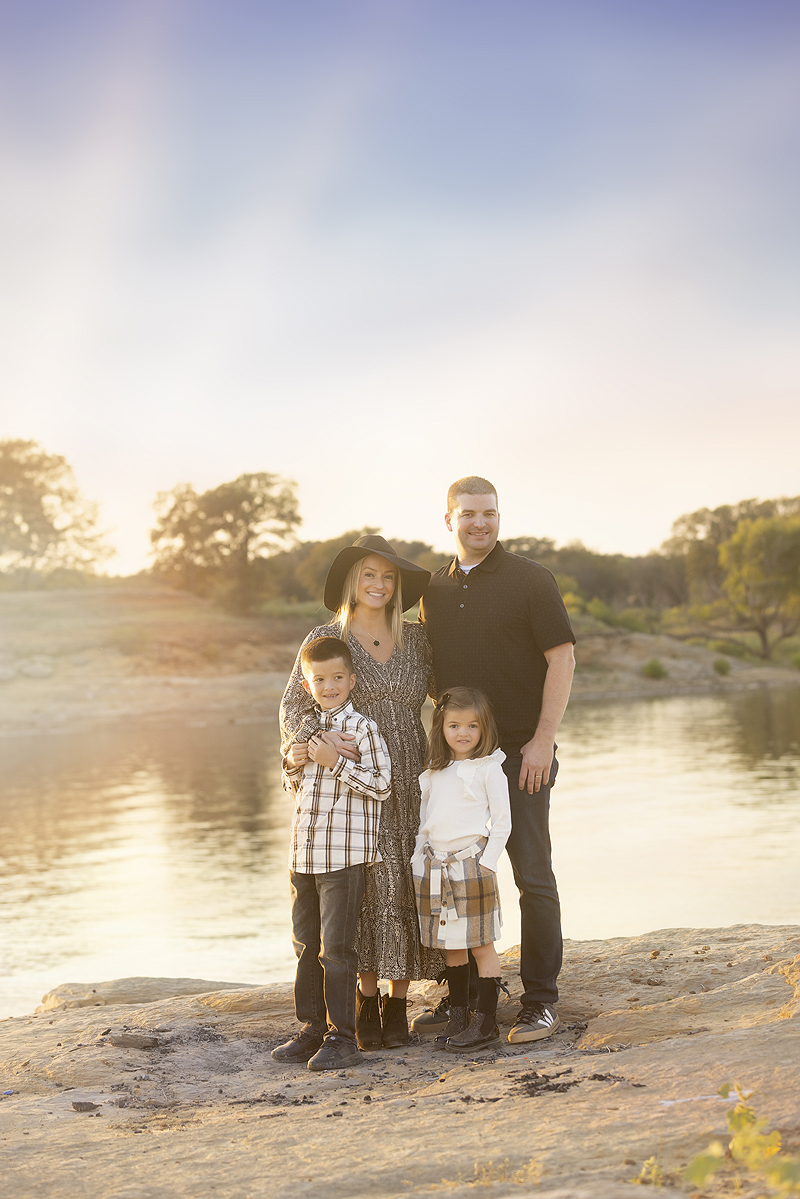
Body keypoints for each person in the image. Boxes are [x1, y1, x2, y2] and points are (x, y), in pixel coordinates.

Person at [418, 476, 575, 1044]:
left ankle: (539, 1001)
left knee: (532, 873)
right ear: (449, 520)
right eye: (468, 514)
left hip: (520, 753)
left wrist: (542, 739)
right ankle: (464, 994)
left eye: (489, 513)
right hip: (456, 760)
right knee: (453, 869)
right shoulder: (432, 589)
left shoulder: (532, 580)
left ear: (498, 516)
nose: (479, 523)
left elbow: (562, 657)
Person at [280, 534, 446, 1051]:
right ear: (352, 581)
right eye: (369, 574)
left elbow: (450, 697)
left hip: (412, 776)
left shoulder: (417, 638)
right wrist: (319, 747)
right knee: (363, 891)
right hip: (351, 787)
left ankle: (398, 1007)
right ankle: (362, 1007)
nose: (378, 584)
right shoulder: (328, 637)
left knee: (402, 884)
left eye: (388, 577)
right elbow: (294, 706)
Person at [272, 635, 392, 1071]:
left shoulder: (363, 729)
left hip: (342, 856)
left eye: (337, 677)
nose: (329, 686)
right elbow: (292, 787)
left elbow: (382, 785)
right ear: (307, 686)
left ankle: (343, 1037)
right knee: (305, 945)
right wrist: (293, 760)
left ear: (351, 680)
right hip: (302, 854)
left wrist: (334, 761)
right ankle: (311, 1029)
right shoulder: (304, 731)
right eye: (319, 679)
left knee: (336, 949)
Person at [412, 686, 511, 1053]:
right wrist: (417, 860)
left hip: (472, 866)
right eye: (454, 725)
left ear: (484, 729)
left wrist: (486, 863)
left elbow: (502, 823)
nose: (463, 733)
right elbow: (424, 823)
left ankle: (485, 1023)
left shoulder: (489, 769)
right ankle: (458, 1016)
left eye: (472, 725)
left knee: (482, 944)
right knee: (451, 947)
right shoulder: (434, 772)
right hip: (435, 867)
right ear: (441, 728)